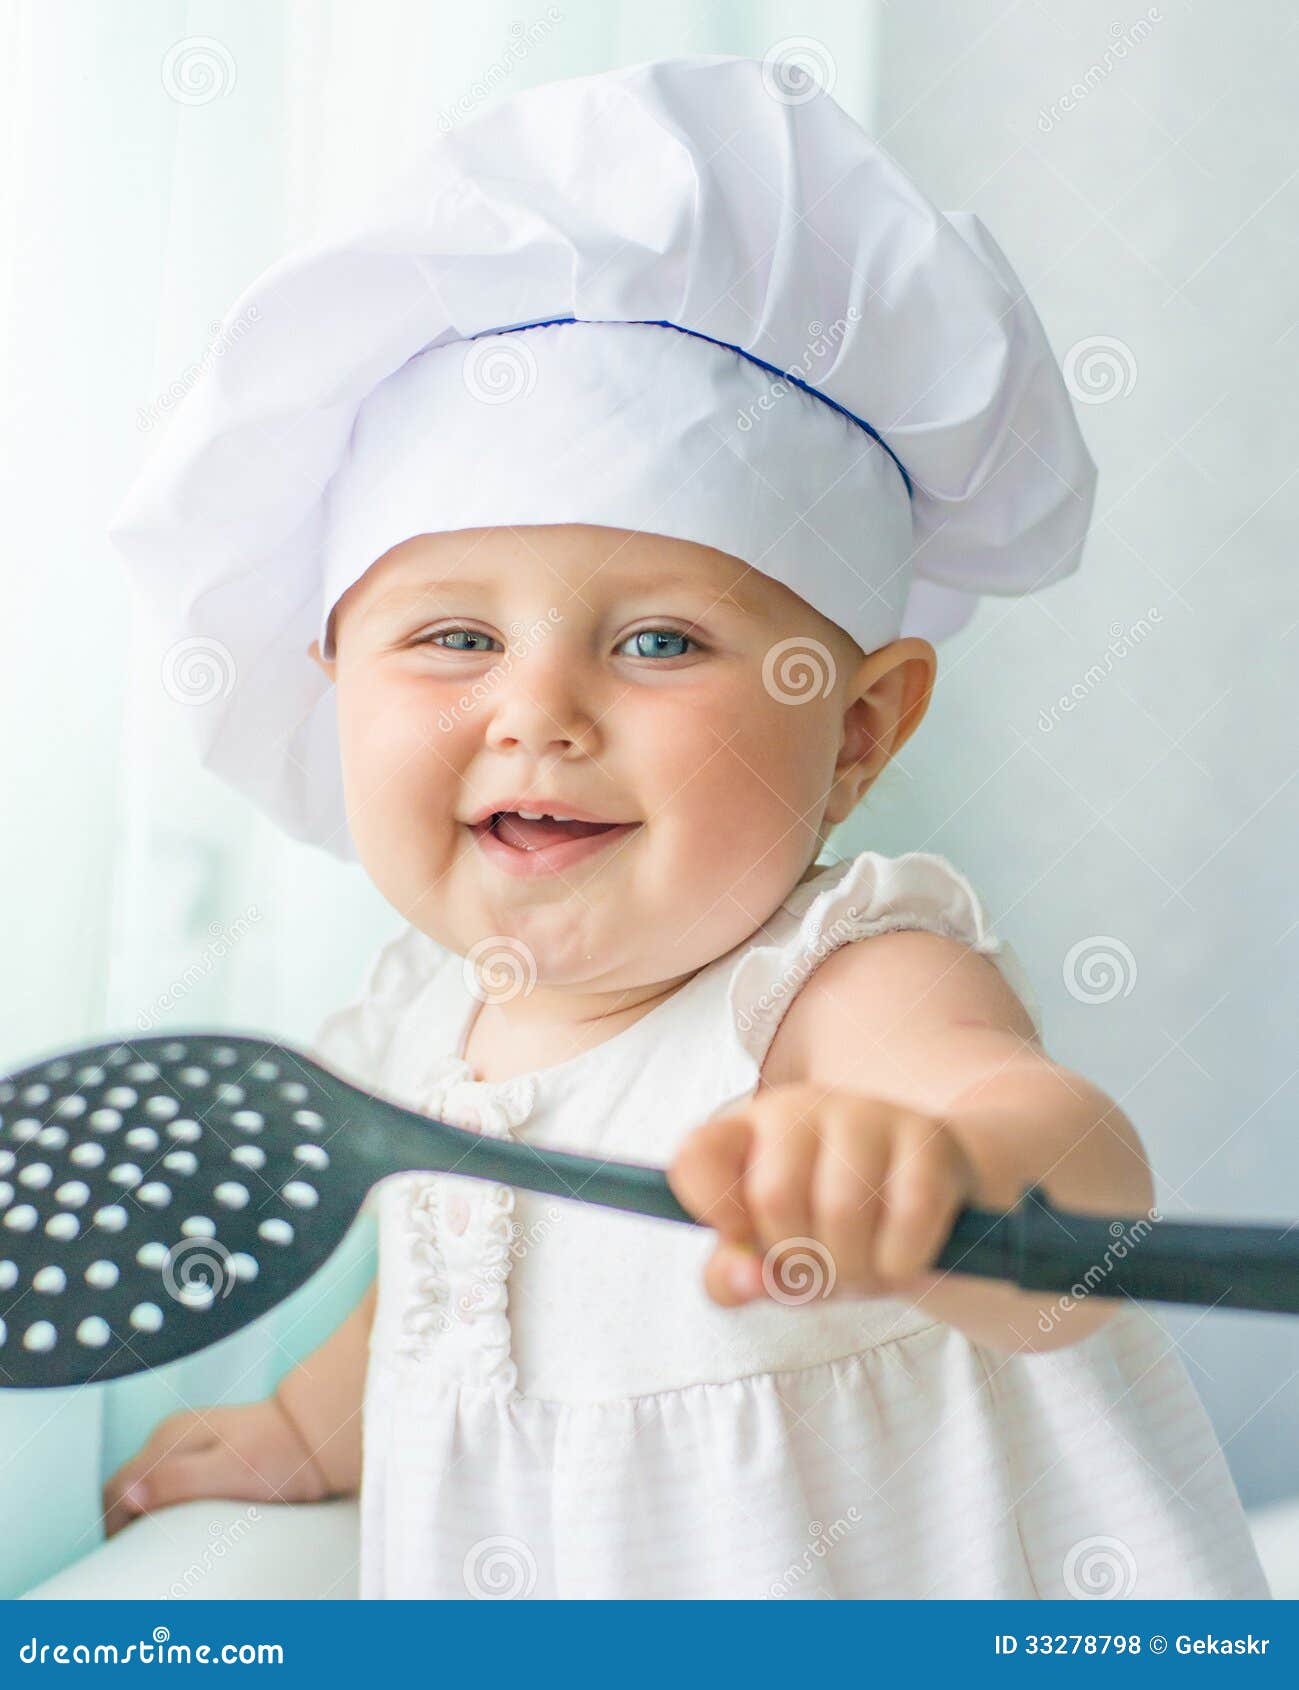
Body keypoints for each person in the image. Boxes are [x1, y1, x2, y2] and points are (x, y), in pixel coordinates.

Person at [101, 55, 1268, 1599]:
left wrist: (932, 1173)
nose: (539, 712)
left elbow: (1082, 1184)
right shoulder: (422, 1023)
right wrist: (309, 1431)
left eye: (658, 643)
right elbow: (449, 1292)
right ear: (332, 691)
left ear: (855, 727)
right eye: (453, 639)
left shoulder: (838, 983)